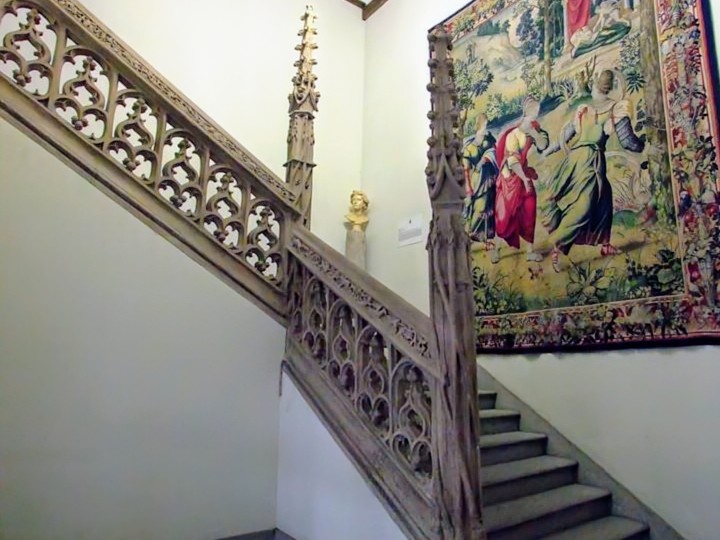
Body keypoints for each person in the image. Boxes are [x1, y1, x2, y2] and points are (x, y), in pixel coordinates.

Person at [542, 69, 645, 272]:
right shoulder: (607, 110)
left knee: (604, 199)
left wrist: (548, 150)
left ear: (596, 86)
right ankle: (558, 245)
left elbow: (567, 136)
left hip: (579, 160)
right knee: (583, 205)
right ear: (610, 87)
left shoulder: (591, 110)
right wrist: (644, 145)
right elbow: (629, 142)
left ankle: (605, 245)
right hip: (587, 162)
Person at [494, 96, 549, 263]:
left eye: (537, 110)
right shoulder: (514, 135)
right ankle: (497, 249)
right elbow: (512, 161)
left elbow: (543, 145)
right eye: (533, 110)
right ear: (526, 112)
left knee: (529, 208)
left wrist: (535, 134)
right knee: (505, 216)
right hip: (510, 177)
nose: (536, 113)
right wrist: (524, 179)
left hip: (523, 173)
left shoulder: (534, 129)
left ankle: (530, 251)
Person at [462, 113, 499, 259]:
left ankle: (489, 240)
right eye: (483, 125)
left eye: (486, 125)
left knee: (491, 209)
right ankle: (471, 237)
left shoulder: (489, 140)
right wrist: (468, 188)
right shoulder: (469, 148)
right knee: (479, 209)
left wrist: (486, 158)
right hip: (478, 182)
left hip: (491, 178)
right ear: (478, 126)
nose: (485, 128)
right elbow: (466, 170)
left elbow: (495, 152)